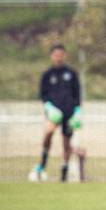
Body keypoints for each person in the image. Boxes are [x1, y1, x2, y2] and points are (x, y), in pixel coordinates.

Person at [29, 44, 82, 183]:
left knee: (66, 143)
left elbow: (77, 94)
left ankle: (64, 173)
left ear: (64, 55)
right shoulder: (47, 75)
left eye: (60, 55)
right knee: (48, 133)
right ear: (52, 56)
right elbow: (43, 94)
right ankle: (42, 164)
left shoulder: (71, 73)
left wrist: (77, 110)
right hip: (54, 112)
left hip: (69, 112)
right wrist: (48, 106)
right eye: (55, 55)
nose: (58, 57)